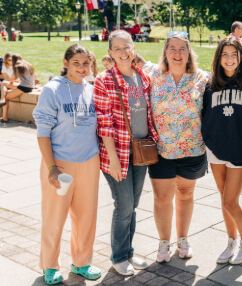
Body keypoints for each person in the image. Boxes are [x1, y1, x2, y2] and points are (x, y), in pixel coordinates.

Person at [33, 44, 101, 285]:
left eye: (86, 63)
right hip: (60, 164)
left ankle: (82, 262)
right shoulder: (52, 90)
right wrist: (51, 167)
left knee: (86, 217)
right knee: (54, 217)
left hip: (89, 162)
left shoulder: (93, 90)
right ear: (65, 63)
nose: (82, 68)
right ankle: (49, 266)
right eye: (76, 63)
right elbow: (43, 132)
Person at [94, 30, 159, 276]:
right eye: (117, 48)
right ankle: (118, 256)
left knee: (134, 204)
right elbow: (104, 124)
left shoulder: (142, 77)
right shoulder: (104, 80)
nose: (123, 52)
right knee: (124, 206)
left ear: (133, 48)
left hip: (140, 150)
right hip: (117, 152)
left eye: (127, 47)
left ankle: (128, 252)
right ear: (110, 52)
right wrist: (111, 159)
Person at [148, 32, 208, 263]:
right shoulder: (153, 75)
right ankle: (164, 241)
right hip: (161, 150)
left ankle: (183, 238)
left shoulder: (201, 78)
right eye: (172, 48)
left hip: (192, 150)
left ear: (189, 52)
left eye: (182, 48)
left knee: (185, 194)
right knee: (162, 197)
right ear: (165, 51)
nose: (177, 53)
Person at [202, 36, 242, 265]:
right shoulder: (210, 83)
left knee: (230, 201)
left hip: (240, 150)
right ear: (219, 57)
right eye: (225, 54)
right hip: (216, 148)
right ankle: (231, 241)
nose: (230, 59)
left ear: (241, 56)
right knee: (224, 199)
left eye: (234, 54)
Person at [0, 53, 39, 122]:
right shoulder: (28, 65)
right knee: (4, 83)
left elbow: (13, 78)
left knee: (6, 96)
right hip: (29, 86)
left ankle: (4, 117)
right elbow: (35, 78)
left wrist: (11, 82)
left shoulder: (18, 66)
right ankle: (2, 100)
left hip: (23, 87)